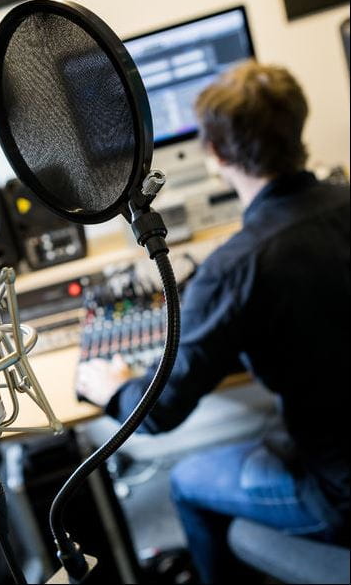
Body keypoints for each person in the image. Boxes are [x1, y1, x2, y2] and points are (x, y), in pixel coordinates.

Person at [76, 61, 350, 583]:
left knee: (186, 480)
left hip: (338, 493)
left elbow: (161, 412)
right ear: (298, 128)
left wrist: (115, 389)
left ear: (217, 154)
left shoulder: (237, 270)